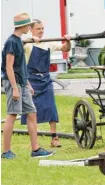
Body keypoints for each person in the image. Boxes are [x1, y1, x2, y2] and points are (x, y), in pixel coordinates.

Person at [1, 13, 55, 159]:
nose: (30, 28)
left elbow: (21, 66)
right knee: (12, 115)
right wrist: (15, 88)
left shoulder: (19, 40)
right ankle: (5, 152)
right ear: (23, 26)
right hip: (14, 83)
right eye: (29, 26)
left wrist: (27, 84)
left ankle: (35, 149)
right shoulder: (12, 42)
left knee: (32, 113)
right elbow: (9, 67)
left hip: (22, 82)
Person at [20, 19, 71, 147]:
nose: (41, 31)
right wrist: (31, 40)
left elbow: (65, 48)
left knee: (51, 108)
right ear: (31, 29)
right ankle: (34, 140)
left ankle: (54, 138)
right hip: (31, 81)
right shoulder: (26, 44)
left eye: (42, 28)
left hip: (46, 80)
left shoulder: (49, 43)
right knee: (31, 111)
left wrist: (68, 40)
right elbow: (16, 48)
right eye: (38, 29)